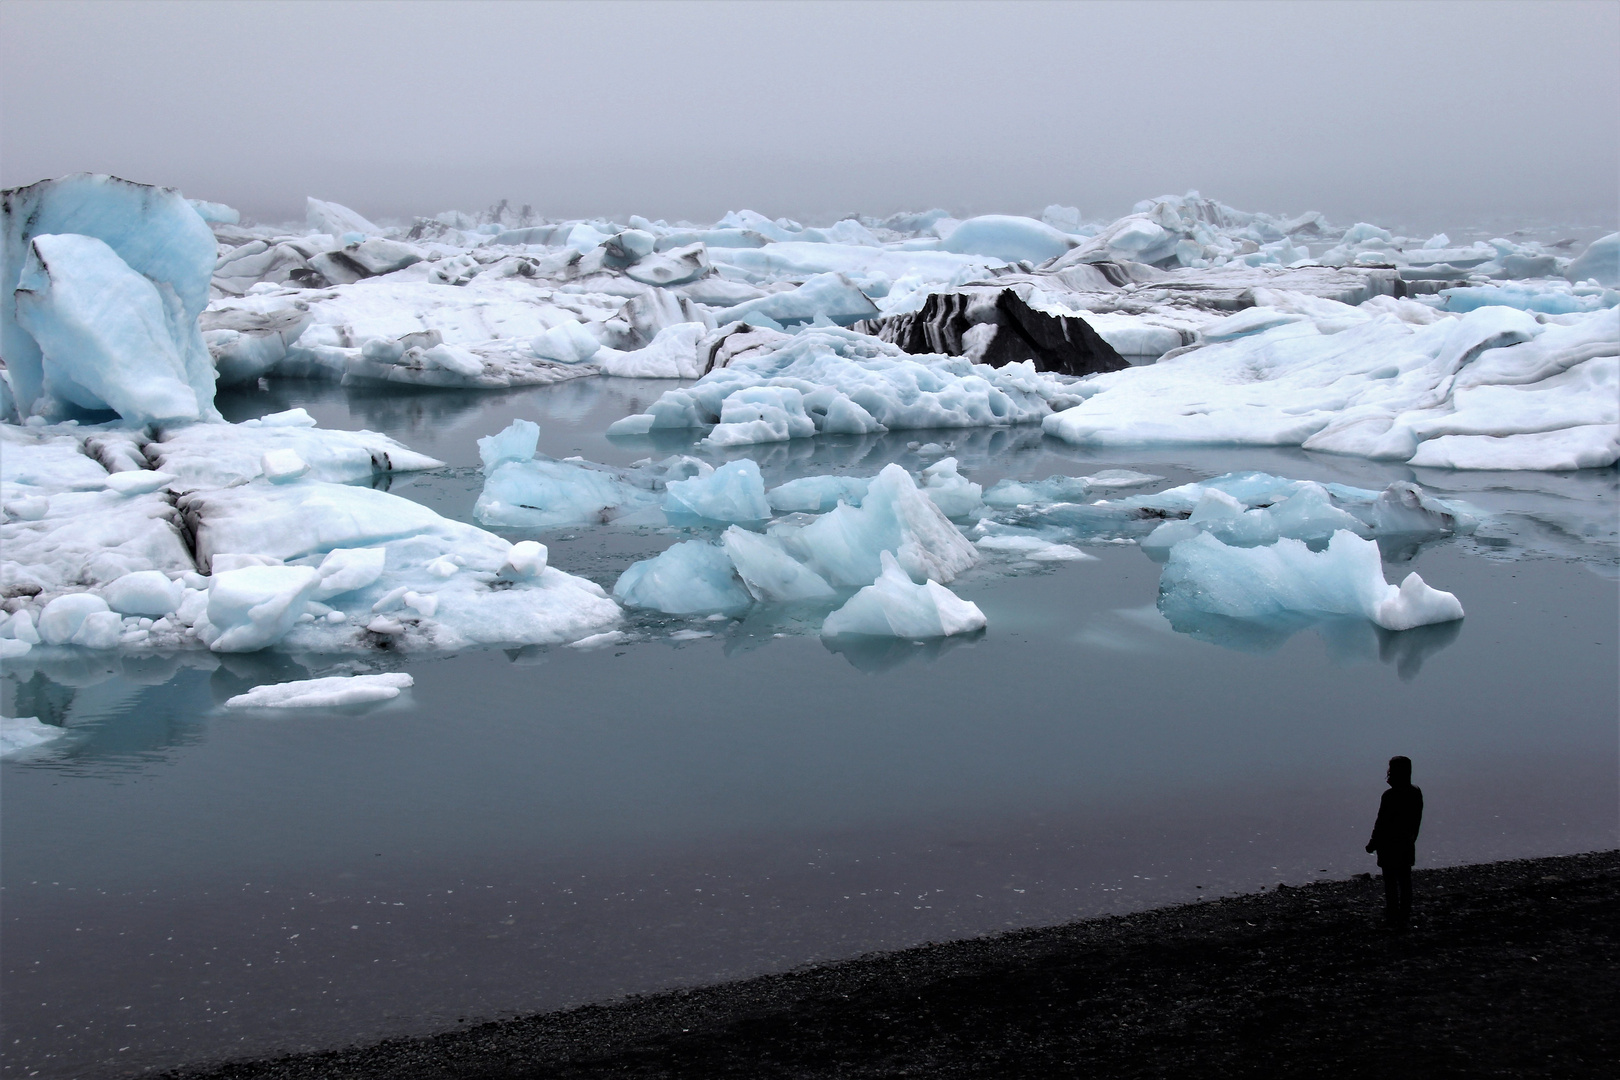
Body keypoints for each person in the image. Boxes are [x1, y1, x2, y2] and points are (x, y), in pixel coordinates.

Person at [1365, 755, 1423, 928]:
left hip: (1390, 844)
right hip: (1407, 841)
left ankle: (1393, 913)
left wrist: (1373, 843)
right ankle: (1404, 912)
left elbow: (1382, 821)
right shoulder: (1415, 792)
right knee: (1404, 879)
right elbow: (1416, 820)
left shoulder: (1390, 795)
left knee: (1391, 880)